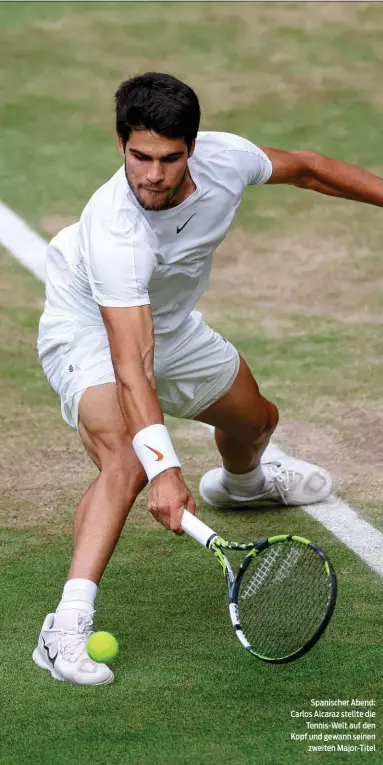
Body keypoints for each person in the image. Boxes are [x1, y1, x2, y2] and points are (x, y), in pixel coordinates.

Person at [33, 72, 382, 686]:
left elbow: (309, 169)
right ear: (121, 145)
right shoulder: (116, 231)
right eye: (139, 157)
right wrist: (166, 469)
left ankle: (242, 487)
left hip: (168, 322)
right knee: (128, 459)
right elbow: (131, 365)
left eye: (168, 159)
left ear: (193, 149)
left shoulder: (229, 161)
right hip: (90, 326)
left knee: (256, 420)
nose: (152, 175)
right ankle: (64, 627)